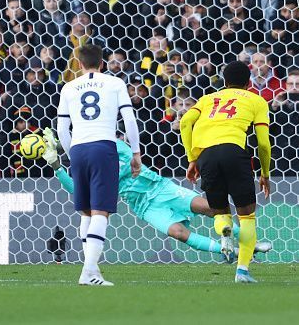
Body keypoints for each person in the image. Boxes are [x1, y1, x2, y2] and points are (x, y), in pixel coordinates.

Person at [41, 128, 272, 260]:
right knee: (178, 233)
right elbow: (78, 191)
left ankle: (248, 243)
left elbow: (86, 147)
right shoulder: (94, 171)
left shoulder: (115, 146)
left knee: (212, 208)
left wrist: (64, 146)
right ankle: (229, 250)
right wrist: (57, 167)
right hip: (145, 206)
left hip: (162, 188)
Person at [57, 44, 141, 286]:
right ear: (102, 63)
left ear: (80, 64)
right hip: (103, 147)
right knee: (100, 211)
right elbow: (129, 118)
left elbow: (62, 128)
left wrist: (73, 154)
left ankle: (91, 271)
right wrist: (136, 151)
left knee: (85, 211)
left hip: (79, 148)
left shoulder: (69, 87)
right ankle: (89, 271)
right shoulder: (115, 84)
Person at [180, 61, 271, 283]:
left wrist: (192, 159)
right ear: (249, 83)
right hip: (234, 152)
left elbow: (184, 122)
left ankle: (225, 230)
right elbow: (264, 144)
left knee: (220, 212)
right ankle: (242, 271)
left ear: (224, 81)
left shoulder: (207, 99)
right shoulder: (257, 100)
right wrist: (265, 173)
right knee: (247, 216)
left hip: (207, 157)